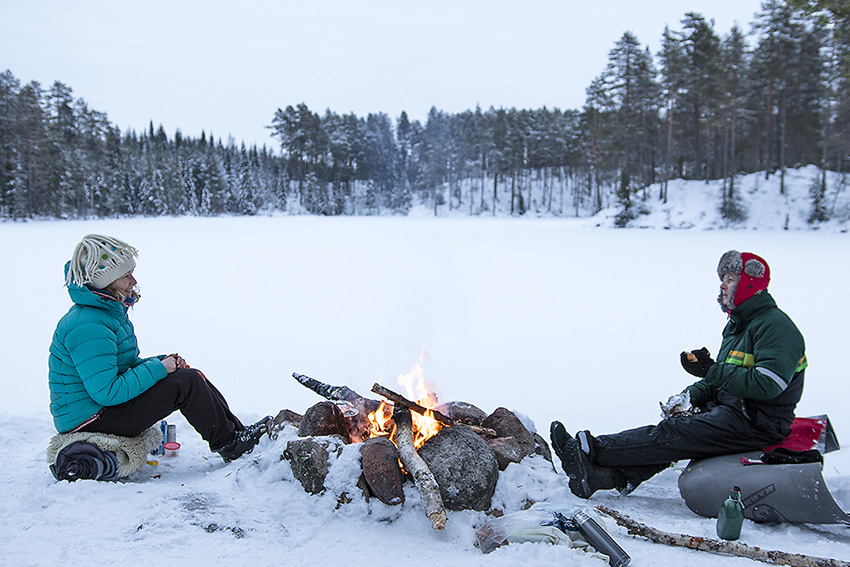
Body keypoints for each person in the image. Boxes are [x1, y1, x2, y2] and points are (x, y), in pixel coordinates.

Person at [550, 250, 807, 498]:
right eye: (722, 280)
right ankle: (601, 477)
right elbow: (724, 379)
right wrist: (692, 394)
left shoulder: (776, 327)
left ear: (750, 285)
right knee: (676, 429)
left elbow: (767, 385)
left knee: (676, 432)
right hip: (735, 409)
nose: (722, 286)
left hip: (756, 422)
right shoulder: (739, 324)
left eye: (730, 280)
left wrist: (711, 370)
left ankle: (588, 450)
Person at [49, 234, 271, 463]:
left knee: (189, 376)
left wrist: (162, 363)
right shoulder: (88, 325)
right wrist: (159, 369)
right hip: (90, 420)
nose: (133, 282)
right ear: (106, 281)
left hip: (99, 410)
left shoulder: (104, 314)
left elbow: (123, 368)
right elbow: (108, 391)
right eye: (126, 276)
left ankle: (236, 433)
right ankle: (230, 444)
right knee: (186, 384)